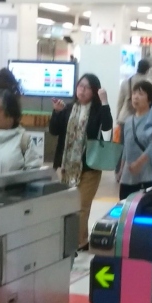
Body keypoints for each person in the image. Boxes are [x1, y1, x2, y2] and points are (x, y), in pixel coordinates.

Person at [49, 72, 113, 251]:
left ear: (94, 91)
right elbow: (54, 130)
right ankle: (75, 239)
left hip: (89, 166)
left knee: (82, 205)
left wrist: (105, 102)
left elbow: (107, 129)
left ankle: (79, 242)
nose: (82, 90)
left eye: (87, 88)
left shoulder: (98, 110)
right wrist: (56, 112)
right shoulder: (68, 108)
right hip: (65, 166)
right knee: (66, 205)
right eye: (80, 86)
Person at [118, 79, 152, 199]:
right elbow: (126, 147)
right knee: (125, 206)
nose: (135, 97)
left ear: (149, 99)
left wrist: (139, 163)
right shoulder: (128, 121)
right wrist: (121, 169)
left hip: (147, 175)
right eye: (134, 93)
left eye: (141, 94)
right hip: (128, 176)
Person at [116, 58, 151, 124]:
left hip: (124, 117)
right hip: (140, 119)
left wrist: (117, 117)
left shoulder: (126, 82)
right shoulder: (148, 84)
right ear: (147, 70)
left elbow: (120, 102)